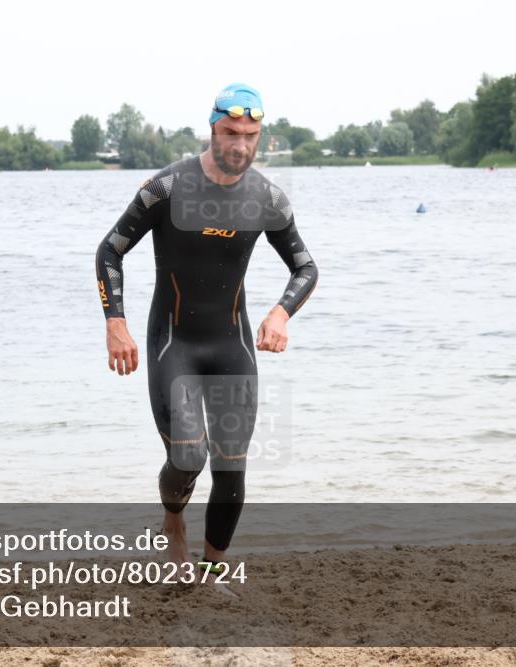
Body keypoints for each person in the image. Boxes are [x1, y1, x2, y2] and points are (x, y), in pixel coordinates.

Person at [94, 83, 319, 568]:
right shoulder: (166, 188)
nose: (240, 145)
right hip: (172, 343)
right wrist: (116, 322)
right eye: (231, 133)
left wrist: (281, 313)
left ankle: (212, 570)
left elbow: (305, 267)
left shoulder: (268, 199)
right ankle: (173, 520)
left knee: (231, 468)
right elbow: (110, 249)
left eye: (250, 136)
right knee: (188, 458)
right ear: (213, 129)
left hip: (231, 345)